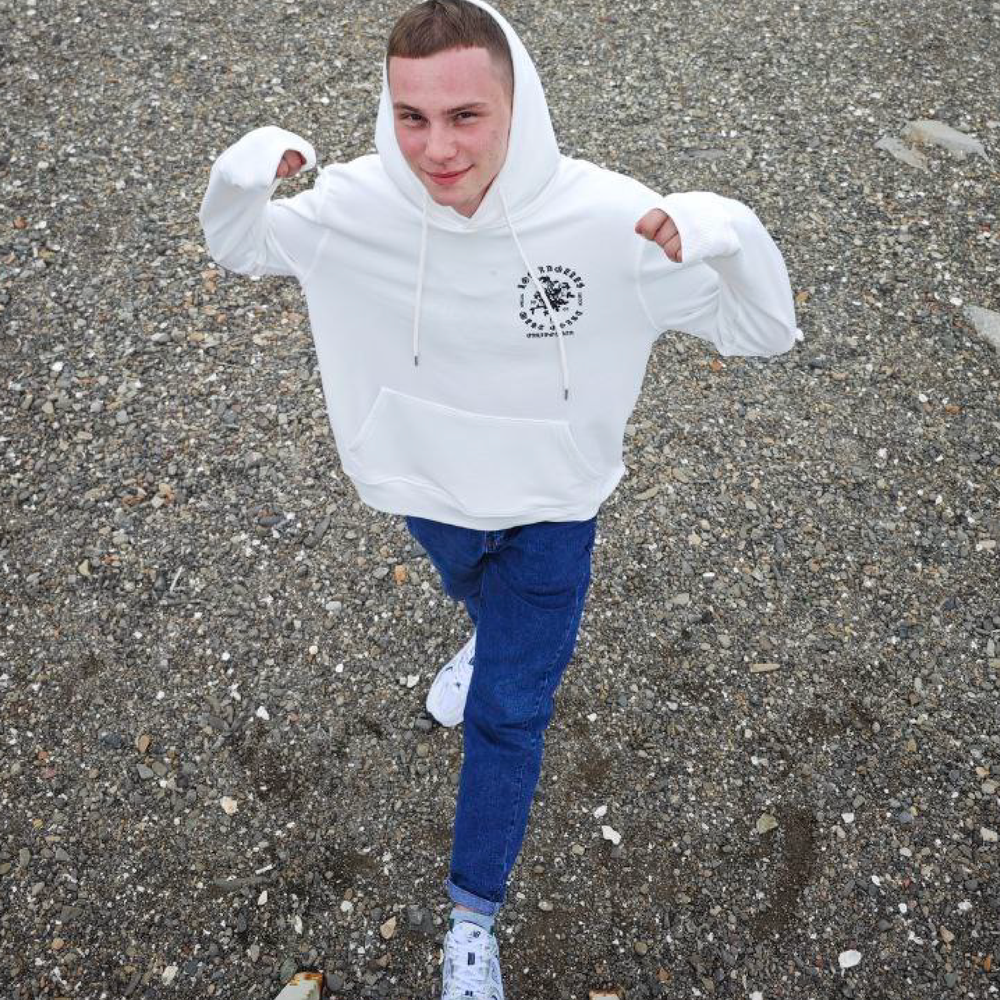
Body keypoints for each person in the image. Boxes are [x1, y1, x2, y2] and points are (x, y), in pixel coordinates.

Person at [198, 1, 803, 995]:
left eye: (465, 116)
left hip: (552, 510)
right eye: (411, 117)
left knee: (510, 714)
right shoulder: (353, 206)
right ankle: (490, 632)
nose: (436, 149)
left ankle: (471, 918)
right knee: (474, 593)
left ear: (521, 105)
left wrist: (729, 230)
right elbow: (241, 242)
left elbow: (764, 330)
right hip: (420, 486)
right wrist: (243, 170)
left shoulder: (612, 222)